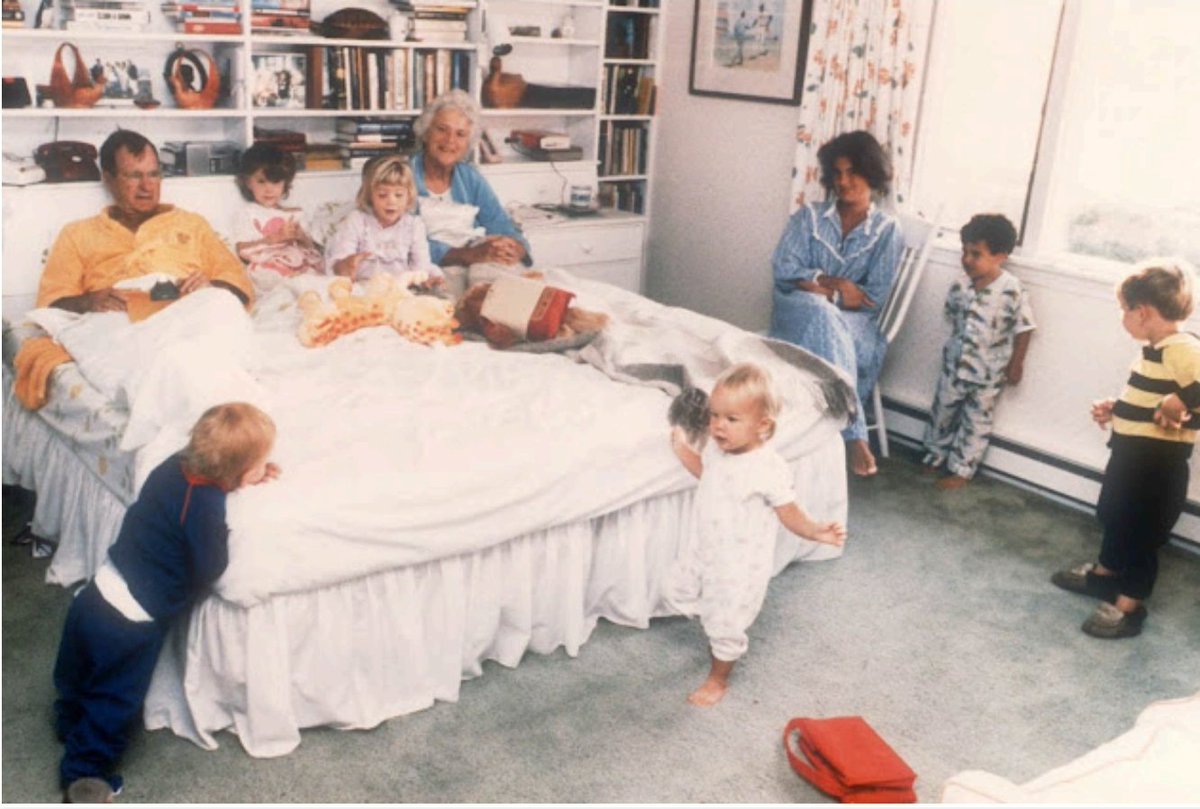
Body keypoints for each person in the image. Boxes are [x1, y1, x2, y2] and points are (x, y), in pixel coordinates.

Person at [53, 402, 279, 803]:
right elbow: (210, 567)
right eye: (259, 465)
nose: (263, 469)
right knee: (116, 697)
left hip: (100, 589)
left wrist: (242, 474)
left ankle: (68, 718)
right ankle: (84, 774)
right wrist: (225, 524)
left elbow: (196, 490)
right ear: (235, 473)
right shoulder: (206, 506)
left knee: (77, 665)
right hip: (132, 620)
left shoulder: (171, 467)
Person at [663, 363, 847, 707]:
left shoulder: (767, 468)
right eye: (714, 415)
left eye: (731, 419)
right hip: (704, 544)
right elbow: (708, 474)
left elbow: (789, 511)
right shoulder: (717, 449)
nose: (718, 425)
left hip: (738, 564)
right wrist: (683, 450)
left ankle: (718, 678)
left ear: (763, 425)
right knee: (678, 588)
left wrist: (815, 530)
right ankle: (706, 609)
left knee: (726, 623)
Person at [1051, 259, 1200, 640]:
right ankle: (1105, 574)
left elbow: (1187, 397)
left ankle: (1129, 606)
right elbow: (1147, 398)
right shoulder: (1154, 350)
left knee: (1141, 534)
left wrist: (1180, 402)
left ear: (1143, 311)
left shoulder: (1184, 348)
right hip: (1131, 455)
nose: (1123, 317)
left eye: (1124, 309)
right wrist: (1117, 408)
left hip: (1159, 465)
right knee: (1114, 514)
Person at [768, 130, 905, 478]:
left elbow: (872, 299)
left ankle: (841, 429)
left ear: (872, 173)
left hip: (853, 324)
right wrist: (839, 287)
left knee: (826, 314)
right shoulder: (809, 217)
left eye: (852, 172)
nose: (843, 182)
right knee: (818, 309)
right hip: (797, 312)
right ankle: (854, 433)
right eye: (838, 173)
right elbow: (784, 270)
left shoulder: (887, 231)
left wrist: (818, 286)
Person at [37, 129, 254, 314]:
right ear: (108, 178)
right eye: (134, 176)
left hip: (187, 316)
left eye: (153, 174)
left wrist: (211, 287)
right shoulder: (77, 234)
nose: (147, 186)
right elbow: (50, 305)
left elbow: (240, 286)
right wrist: (89, 302)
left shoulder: (193, 224)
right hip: (115, 323)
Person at [922, 214, 1035, 490]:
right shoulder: (960, 284)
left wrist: (1016, 364)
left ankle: (962, 469)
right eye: (964, 252)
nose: (967, 259)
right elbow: (952, 315)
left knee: (976, 422)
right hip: (954, 365)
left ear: (1000, 256)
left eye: (976, 254)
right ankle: (934, 455)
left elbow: (1025, 328)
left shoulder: (1012, 289)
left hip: (989, 373)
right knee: (942, 412)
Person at [409, 89, 532, 292]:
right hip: (427, 270)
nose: (450, 140)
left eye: (460, 134)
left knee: (510, 286)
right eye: (442, 129)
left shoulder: (470, 177)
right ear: (426, 132)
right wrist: (467, 255)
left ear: (468, 143)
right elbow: (397, 242)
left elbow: (500, 224)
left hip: (474, 264)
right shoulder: (400, 177)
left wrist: (516, 248)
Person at [324, 154, 443, 286]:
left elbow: (420, 265)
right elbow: (339, 261)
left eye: (398, 195)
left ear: (409, 196)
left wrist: (423, 279)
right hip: (363, 285)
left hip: (400, 287)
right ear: (370, 196)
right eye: (382, 195)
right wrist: (346, 265)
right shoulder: (357, 221)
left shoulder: (414, 225)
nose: (391, 201)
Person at [232, 142, 323, 285]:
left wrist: (301, 237)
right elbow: (241, 250)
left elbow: (314, 251)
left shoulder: (296, 214)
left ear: (285, 183)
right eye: (261, 181)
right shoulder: (249, 213)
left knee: (316, 275)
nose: (269, 190)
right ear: (248, 182)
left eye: (276, 182)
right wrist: (272, 239)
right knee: (270, 277)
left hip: (299, 266)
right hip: (270, 269)